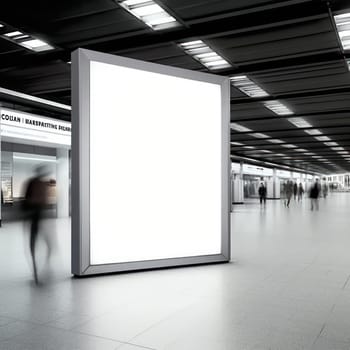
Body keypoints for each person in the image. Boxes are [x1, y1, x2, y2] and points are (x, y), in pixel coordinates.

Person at [23, 165, 50, 285]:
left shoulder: (40, 183)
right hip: (35, 215)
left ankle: (38, 270)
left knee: (44, 244)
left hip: (40, 216)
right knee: (34, 243)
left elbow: (43, 200)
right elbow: (29, 200)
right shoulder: (34, 183)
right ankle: (36, 271)